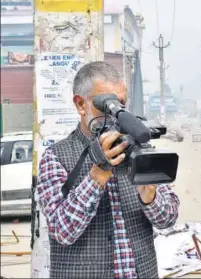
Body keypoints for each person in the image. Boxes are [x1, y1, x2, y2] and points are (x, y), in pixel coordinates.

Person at [35, 61, 180, 278]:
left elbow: (168, 219)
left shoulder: (137, 149)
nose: (114, 114)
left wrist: (150, 198)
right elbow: (62, 231)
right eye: (105, 105)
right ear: (80, 105)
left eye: (121, 104)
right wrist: (96, 176)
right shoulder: (55, 156)